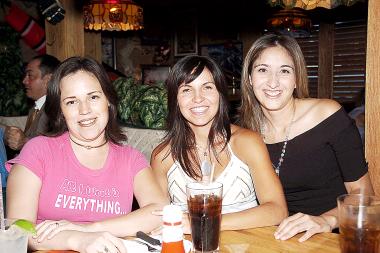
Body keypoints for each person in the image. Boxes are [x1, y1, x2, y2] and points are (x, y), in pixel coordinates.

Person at [6, 57, 168, 253]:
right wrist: (76, 239)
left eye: (93, 97)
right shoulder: (38, 150)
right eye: (72, 101)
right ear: (60, 110)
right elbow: (17, 227)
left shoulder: (130, 158)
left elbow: (160, 212)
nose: (85, 110)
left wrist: (90, 229)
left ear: (108, 100)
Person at [238, 34, 374, 242]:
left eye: (284, 71)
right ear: (249, 79)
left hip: (332, 237)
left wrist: (326, 221)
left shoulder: (327, 115)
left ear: (296, 79)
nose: (273, 82)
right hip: (275, 239)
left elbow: (362, 193)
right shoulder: (245, 132)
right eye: (263, 70)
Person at [151, 55, 287, 233]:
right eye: (186, 90)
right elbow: (154, 218)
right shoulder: (163, 156)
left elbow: (277, 210)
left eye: (207, 87)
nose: (197, 98)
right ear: (175, 100)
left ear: (220, 94)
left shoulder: (246, 143)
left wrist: (203, 223)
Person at [2, 54, 60, 151]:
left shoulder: (55, 109)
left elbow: (54, 146)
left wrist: (24, 141)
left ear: (48, 80)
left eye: (30, 75)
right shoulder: (35, 109)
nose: (24, 81)